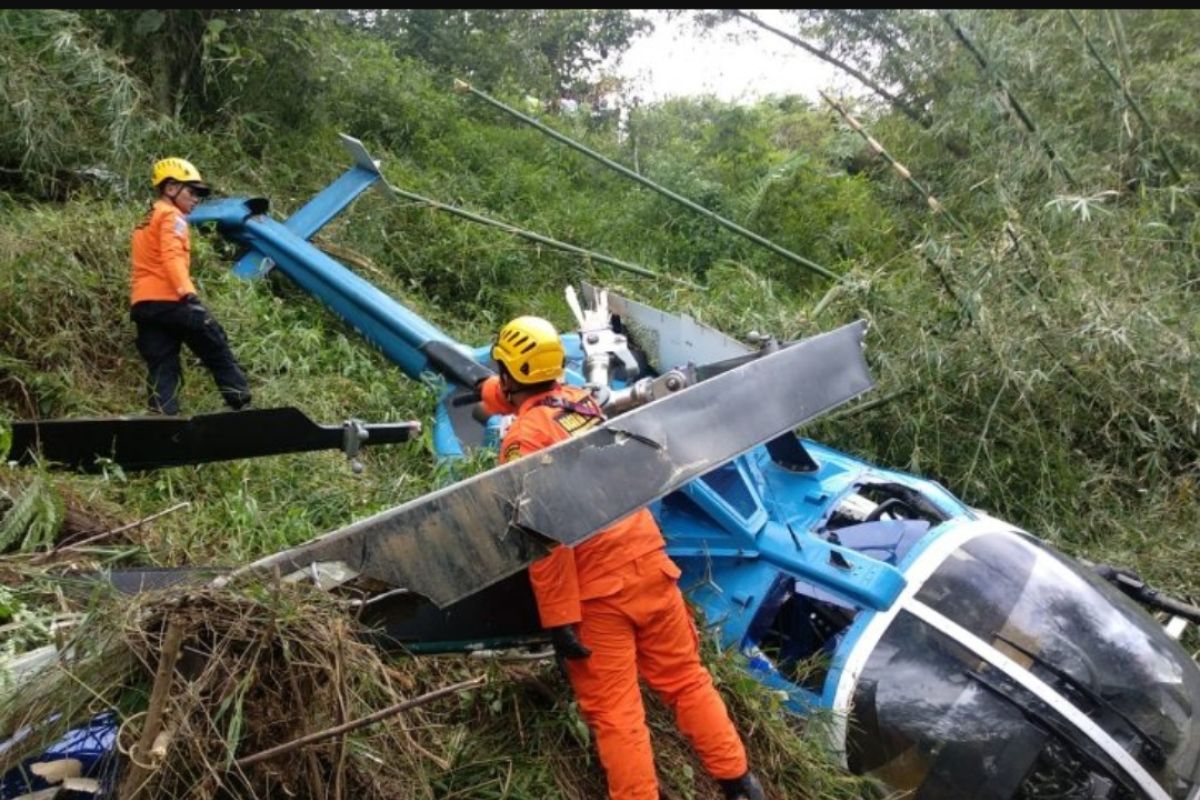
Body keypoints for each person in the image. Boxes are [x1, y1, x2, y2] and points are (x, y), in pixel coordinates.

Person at [479, 316, 765, 800]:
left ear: (509, 373)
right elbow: (529, 393)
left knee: (617, 715)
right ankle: (740, 783)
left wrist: (559, 617)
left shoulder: (524, 441)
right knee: (686, 681)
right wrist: (489, 386)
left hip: (598, 593)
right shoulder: (582, 403)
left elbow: (542, 536)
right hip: (650, 565)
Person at [129, 158, 251, 415]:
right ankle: (242, 405)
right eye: (192, 191)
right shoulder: (173, 217)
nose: (196, 199)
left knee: (162, 366)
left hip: (143, 305)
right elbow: (171, 257)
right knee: (214, 343)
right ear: (171, 188)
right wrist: (189, 295)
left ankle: (163, 420)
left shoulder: (146, 218)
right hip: (171, 300)